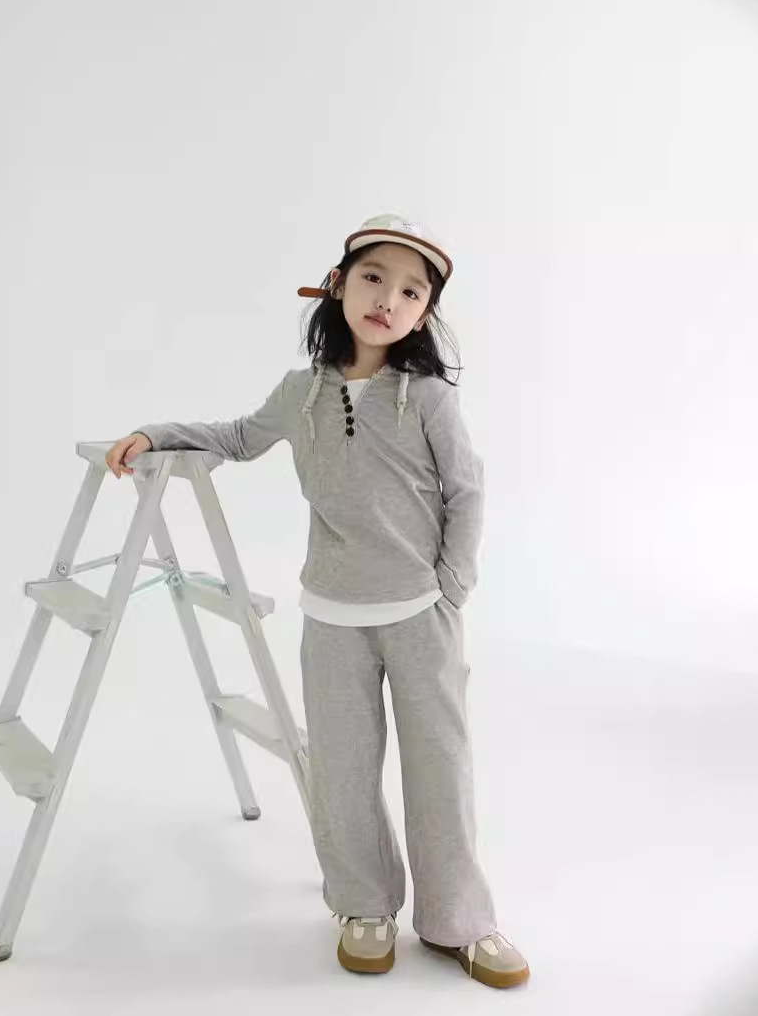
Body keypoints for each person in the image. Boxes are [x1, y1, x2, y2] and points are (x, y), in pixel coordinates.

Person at [105, 214, 529, 988]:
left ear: (423, 315)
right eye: (374, 278)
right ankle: (363, 904)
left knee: (440, 771)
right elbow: (236, 437)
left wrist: (452, 588)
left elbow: (467, 493)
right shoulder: (300, 393)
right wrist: (154, 434)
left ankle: (460, 922)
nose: (388, 299)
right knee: (341, 774)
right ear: (337, 286)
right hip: (331, 618)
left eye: (411, 292)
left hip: (420, 614)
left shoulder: (428, 397)